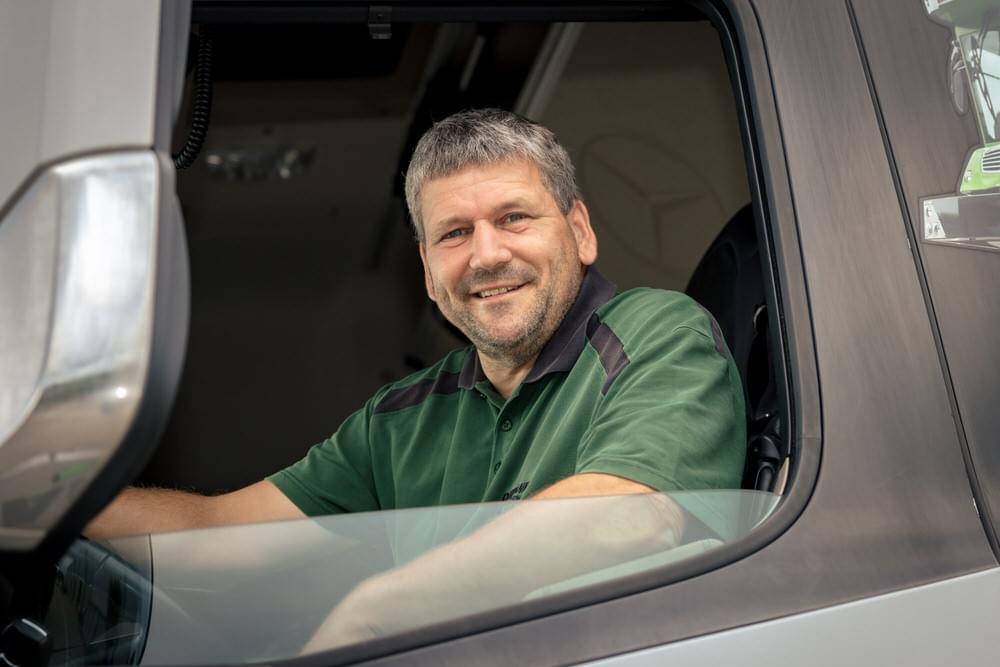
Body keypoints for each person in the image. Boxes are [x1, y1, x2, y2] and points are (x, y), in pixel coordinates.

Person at [87, 107, 745, 543]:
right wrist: (39, 510)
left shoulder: (658, 332)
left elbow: (629, 516)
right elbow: (214, 530)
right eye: (455, 233)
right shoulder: (398, 420)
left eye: (514, 217)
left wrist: (377, 611)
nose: (487, 254)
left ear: (579, 231)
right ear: (429, 273)